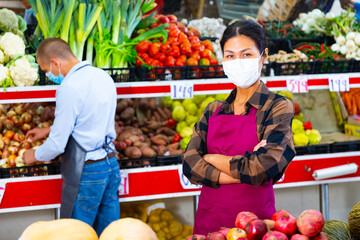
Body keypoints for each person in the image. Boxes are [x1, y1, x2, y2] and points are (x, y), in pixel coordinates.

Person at [182, 20, 296, 235]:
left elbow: (263, 167)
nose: (238, 62)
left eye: (246, 54)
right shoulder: (212, 110)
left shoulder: (277, 107)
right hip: (210, 223)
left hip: (256, 226)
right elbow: (189, 166)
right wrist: (248, 167)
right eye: (230, 55)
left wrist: (210, 158)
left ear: (263, 56)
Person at [22, 38, 120, 236]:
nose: (47, 74)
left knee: (76, 233)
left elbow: (57, 145)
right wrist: (49, 130)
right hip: (110, 165)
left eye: (45, 69)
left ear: (55, 62)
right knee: (110, 233)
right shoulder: (102, 76)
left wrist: (34, 155)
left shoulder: (69, 86)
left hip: (87, 170)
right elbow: (90, 118)